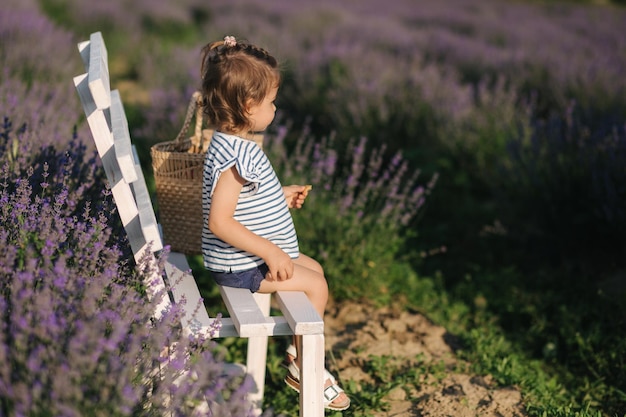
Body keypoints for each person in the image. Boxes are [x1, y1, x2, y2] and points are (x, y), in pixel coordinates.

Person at [199, 35, 350, 411]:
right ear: (249, 106)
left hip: (245, 260)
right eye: (270, 101)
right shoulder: (237, 157)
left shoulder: (229, 144)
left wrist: (279, 195)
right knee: (316, 285)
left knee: (313, 268)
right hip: (239, 267)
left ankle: (298, 354)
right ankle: (306, 366)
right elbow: (220, 221)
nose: (275, 107)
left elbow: (244, 202)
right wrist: (269, 250)